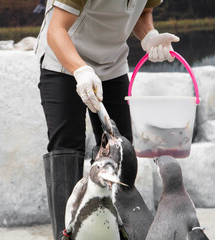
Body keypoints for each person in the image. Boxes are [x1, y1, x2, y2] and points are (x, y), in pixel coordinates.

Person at [34, 0, 179, 238]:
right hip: (63, 62)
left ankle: (118, 232)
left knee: (121, 149)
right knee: (67, 147)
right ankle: (65, 235)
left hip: (112, 65)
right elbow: (55, 29)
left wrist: (149, 35)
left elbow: (143, 9)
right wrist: (81, 70)